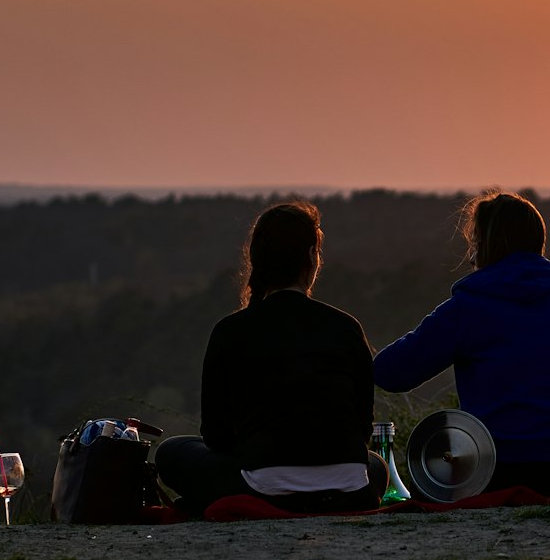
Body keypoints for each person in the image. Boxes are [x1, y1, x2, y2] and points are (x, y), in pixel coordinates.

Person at [373, 190, 550, 497]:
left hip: (507, 470)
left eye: (472, 243)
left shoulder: (469, 309)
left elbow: (391, 373)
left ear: (482, 247)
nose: (470, 255)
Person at [156, 200, 387, 514]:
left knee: (171, 452)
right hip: (349, 491)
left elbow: (216, 435)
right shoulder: (346, 327)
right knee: (374, 466)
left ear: (258, 262)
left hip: (263, 490)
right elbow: (361, 429)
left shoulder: (230, 331)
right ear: (311, 256)